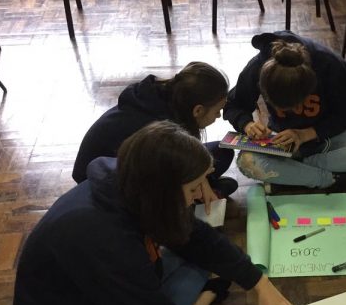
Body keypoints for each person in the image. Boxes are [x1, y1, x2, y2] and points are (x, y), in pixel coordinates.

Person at [14, 121, 303, 305]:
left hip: (118, 301)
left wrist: (258, 282)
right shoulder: (100, 235)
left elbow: (196, 236)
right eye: (193, 189)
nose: (200, 197)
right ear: (164, 191)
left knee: (199, 259)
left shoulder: (137, 185)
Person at [224, 31, 346, 193]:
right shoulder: (258, 66)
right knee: (247, 161)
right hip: (281, 142)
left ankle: (293, 176)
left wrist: (305, 134)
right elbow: (233, 104)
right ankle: (332, 180)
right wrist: (247, 124)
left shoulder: (331, 65)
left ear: (310, 87)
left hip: (327, 138)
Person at [72, 61, 238, 209]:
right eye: (217, 111)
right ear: (198, 110)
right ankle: (196, 197)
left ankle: (198, 192)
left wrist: (201, 180)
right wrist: (200, 180)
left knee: (221, 151)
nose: (219, 116)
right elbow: (159, 177)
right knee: (202, 178)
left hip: (132, 165)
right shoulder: (160, 132)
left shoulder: (168, 97)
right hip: (102, 182)